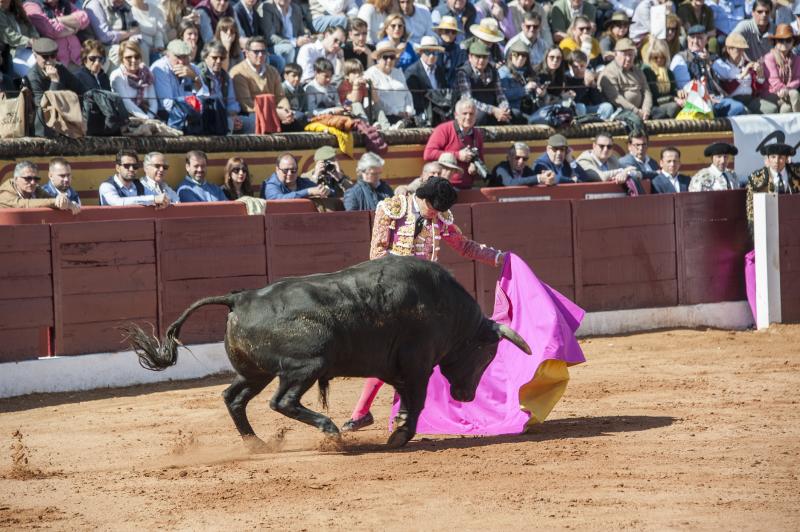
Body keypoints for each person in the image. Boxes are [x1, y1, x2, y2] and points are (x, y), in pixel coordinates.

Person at [341, 176, 506, 432]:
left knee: (411, 356)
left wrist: (497, 258)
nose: (437, 215)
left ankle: (389, 414)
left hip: (425, 300)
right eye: (434, 209)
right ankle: (368, 412)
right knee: (391, 355)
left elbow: (463, 246)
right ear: (423, 199)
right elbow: (377, 253)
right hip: (393, 294)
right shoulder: (392, 209)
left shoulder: (440, 217)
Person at [670, 24, 748, 117]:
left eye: (699, 38)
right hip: (696, 102)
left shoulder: (713, 57)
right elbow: (684, 86)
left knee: (738, 108)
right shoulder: (680, 58)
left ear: (706, 40)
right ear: (687, 39)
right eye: (692, 37)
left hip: (717, 99)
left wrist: (709, 62)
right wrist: (704, 96)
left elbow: (729, 74)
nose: (695, 41)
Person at [23, 37, 87, 137]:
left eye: (52, 56)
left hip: (63, 120)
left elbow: (81, 90)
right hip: (42, 126)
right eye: (45, 57)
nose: (49, 60)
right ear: (35, 56)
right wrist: (54, 81)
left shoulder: (60, 69)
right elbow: (43, 107)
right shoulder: (33, 76)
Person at [229, 36, 292, 128]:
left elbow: (281, 97)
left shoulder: (272, 71)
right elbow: (247, 105)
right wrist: (276, 113)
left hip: (274, 112)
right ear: (246, 53)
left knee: (299, 118)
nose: (260, 55)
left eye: (263, 51)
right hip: (251, 114)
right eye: (256, 52)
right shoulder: (238, 72)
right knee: (255, 123)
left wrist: (286, 112)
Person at [423, 98, 484, 190]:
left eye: (471, 114)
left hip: (468, 187)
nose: (468, 117)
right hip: (445, 186)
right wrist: (458, 155)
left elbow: (481, 160)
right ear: (456, 115)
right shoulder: (444, 129)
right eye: (464, 113)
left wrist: (475, 167)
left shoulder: (477, 134)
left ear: (476, 116)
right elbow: (428, 154)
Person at [745, 142, 800, 234]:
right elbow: (751, 211)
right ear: (768, 158)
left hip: (795, 225)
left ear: (787, 159)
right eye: (773, 157)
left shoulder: (797, 173)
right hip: (768, 227)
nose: (776, 161)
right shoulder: (756, 179)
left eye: (781, 157)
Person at [455, 40, 511, 126]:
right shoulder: (463, 72)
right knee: (481, 117)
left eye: (484, 57)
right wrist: (492, 110)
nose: (481, 60)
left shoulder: (493, 71)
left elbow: (500, 94)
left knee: (514, 115)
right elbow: (468, 100)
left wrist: (504, 108)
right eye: (478, 57)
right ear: (470, 57)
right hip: (471, 111)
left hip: (494, 110)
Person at [22, 0, 89, 71]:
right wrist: (73, 29)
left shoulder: (64, 3)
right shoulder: (31, 5)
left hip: (80, 59)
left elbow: (84, 18)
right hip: (57, 64)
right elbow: (50, 30)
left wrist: (58, 20)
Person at [199, 39, 249, 134]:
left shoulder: (225, 77)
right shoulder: (199, 74)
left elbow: (231, 101)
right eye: (214, 57)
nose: (218, 61)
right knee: (228, 123)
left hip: (224, 115)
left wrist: (234, 116)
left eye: (221, 58)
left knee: (250, 122)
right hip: (207, 116)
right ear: (205, 57)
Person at [598, 38, 654, 121]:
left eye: (631, 55)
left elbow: (647, 92)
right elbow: (616, 98)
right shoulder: (609, 72)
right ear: (616, 54)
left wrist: (646, 110)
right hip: (619, 112)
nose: (628, 58)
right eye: (625, 55)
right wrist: (636, 111)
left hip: (641, 112)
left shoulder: (638, 71)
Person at [151, 39, 208, 121]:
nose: (181, 62)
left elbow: (205, 96)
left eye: (184, 57)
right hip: (167, 116)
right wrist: (192, 103)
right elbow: (167, 104)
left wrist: (195, 78)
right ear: (168, 55)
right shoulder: (160, 68)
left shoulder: (192, 68)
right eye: (177, 57)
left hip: (190, 114)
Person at [364, 41, 415, 128]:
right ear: (378, 58)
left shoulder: (398, 72)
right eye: (385, 57)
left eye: (392, 57)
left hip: (405, 117)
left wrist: (408, 111)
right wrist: (396, 112)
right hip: (384, 117)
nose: (389, 60)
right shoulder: (370, 74)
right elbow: (376, 101)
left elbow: (408, 95)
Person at [712, 32, 765, 113]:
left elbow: (757, 89)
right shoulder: (720, 65)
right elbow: (727, 89)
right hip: (733, 100)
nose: (741, 53)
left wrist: (760, 75)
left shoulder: (746, 63)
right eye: (738, 49)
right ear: (729, 50)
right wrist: (743, 74)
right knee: (746, 111)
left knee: (771, 108)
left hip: (750, 99)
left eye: (742, 49)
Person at [99, 149, 171, 207]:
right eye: (127, 166)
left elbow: (156, 197)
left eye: (135, 166)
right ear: (118, 168)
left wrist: (162, 202)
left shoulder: (140, 185)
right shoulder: (107, 186)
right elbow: (118, 203)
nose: (131, 169)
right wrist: (153, 199)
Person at [0, 161, 79, 213]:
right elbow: (24, 205)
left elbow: (50, 199)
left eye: (36, 179)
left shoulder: (36, 189)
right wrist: (56, 202)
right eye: (28, 178)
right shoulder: (4, 192)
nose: (33, 182)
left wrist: (64, 200)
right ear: (16, 179)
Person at [83, 0, 140, 69]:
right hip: (100, 46)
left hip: (122, 41)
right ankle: (115, 79)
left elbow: (135, 27)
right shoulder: (94, 4)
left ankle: (142, 77)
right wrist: (129, 33)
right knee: (117, 51)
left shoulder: (124, 4)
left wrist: (133, 40)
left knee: (140, 47)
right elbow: (104, 37)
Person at [757, 23, 800, 113]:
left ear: (793, 42)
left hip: (785, 92)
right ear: (775, 42)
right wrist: (785, 90)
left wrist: (786, 89)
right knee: (794, 94)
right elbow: (774, 80)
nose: (784, 43)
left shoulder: (796, 58)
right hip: (770, 94)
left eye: (788, 40)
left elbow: (797, 79)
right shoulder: (769, 57)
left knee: (786, 109)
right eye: (780, 40)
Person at [110, 40, 157, 120]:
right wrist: (146, 119)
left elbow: (153, 102)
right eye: (129, 57)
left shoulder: (146, 73)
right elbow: (126, 103)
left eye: (137, 56)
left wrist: (150, 118)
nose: (133, 60)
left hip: (149, 117)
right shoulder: (117, 76)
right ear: (122, 59)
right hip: (128, 118)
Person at [259, 0, 314, 67]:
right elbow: (270, 36)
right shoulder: (267, 7)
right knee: (289, 49)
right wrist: (294, 42)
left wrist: (306, 37)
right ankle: (287, 74)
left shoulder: (295, 8)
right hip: (273, 46)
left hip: (294, 44)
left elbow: (301, 31)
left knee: (310, 47)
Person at [405, 36, 447, 119]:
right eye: (428, 52)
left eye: (435, 52)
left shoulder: (440, 70)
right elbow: (415, 100)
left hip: (440, 115)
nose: (431, 56)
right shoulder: (412, 72)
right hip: (421, 116)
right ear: (421, 52)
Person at [641, 39, 684, 119]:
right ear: (650, 57)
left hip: (667, 102)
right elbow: (653, 97)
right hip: (654, 106)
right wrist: (673, 98)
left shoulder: (669, 72)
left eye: (662, 57)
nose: (659, 60)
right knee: (673, 107)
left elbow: (673, 90)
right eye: (656, 57)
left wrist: (679, 93)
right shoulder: (647, 71)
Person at [261, 153, 331, 200]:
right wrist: (308, 192)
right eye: (285, 170)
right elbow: (277, 199)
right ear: (277, 169)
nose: (289, 173)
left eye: (293, 170)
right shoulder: (270, 184)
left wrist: (326, 191)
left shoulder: (302, 182)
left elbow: (331, 193)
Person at [434, 16, 467, 84]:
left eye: (453, 32)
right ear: (440, 32)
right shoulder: (434, 50)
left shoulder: (461, 51)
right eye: (447, 31)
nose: (450, 34)